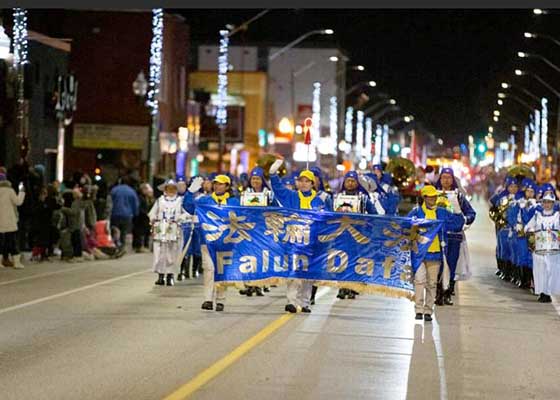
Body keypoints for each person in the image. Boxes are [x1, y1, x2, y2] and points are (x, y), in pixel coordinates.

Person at [269, 161, 332, 313]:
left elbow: (327, 221)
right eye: (301, 181)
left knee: (308, 274)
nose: (303, 184)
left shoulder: (319, 201)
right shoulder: (291, 196)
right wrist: (273, 173)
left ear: (312, 184)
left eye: (307, 181)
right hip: (294, 242)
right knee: (293, 272)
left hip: (312, 243)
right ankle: (291, 301)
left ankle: (304, 302)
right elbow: (277, 189)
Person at [183, 174, 240, 312]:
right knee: (209, 270)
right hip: (207, 242)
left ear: (227, 186)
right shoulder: (205, 200)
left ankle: (220, 300)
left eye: (221, 184)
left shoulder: (234, 202)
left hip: (227, 243)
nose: (217, 186)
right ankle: (207, 299)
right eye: (215, 183)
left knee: (222, 271)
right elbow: (189, 207)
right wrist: (190, 192)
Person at [408, 185, 464, 322]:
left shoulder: (442, 212)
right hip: (419, 254)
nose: (433, 198)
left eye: (434, 196)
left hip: (436, 254)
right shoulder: (415, 213)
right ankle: (418, 309)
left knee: (432, 283)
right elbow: (404, 227)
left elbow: (458, 224)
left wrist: (457, 210)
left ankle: (428, 310)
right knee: (419, 280)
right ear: (424, 197)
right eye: (430, 196)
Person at [334, 171, 385, 300]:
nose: (350, 183)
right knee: (341, 261)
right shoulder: (337, 197)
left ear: (357, 182)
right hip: (342, 234)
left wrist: (366, 224)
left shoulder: (363, 197)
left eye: (353, 181)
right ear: (344, 182)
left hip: (358, 234)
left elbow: (373, 213)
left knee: (354, 261)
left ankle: (352, 288)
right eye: (348, 181)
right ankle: (342, 287)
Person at [434, 167, 476, 304]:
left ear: (453, 180)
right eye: (443, 177)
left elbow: (471, 213)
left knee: (451, 263)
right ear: (440, 179)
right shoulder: (433, 194)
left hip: (454, 236)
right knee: (438, 264)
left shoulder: (458, 196)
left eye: (449, 177)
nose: (446, 180)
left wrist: (462, 221)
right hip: (437, 236)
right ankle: (438, 291)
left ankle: (448, 291)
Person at [238, 166, 277, 296]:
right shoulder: (245, 192)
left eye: (258, 178)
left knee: (261, 257)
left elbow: (275, 209)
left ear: (262, 180)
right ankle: (249, 283)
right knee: (248, 257)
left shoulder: (269, 194)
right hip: (248, 229)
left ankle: (259, 284)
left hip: (263, 229)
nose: (255, 181)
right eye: (253, 178)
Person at [148, 179, 189, 287]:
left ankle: (170, 275)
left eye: (173, 188)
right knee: (160, 253)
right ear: (165, 189)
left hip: (174, 230)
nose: (171, 190)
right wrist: (153, 219)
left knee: (173, 253)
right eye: (169, 188)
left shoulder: (180, 201)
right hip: (161, 229)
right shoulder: (160, 200)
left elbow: (186, 214)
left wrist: (179, 219)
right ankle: (160, 276)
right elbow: (152, 213)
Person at [525, 192, 560, 302]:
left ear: (553, 203)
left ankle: (549, 293)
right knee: (541, 271)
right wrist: (531, 235)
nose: (547, 204)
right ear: (542, 203)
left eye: (549, 202)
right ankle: (542, 292)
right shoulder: (537, 216)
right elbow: (527, 228)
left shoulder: (558, 216)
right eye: (545, 202)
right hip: (539, 249)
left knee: (553, 271)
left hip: (554, 249)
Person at [0, 173, 26, 268]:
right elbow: (18, 202)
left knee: (0, 242)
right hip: (9, 220)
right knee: (12, 241)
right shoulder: (9, 191)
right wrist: (22, 192)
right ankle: (17, 262)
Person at [110, 177, 139, 253]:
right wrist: (135, 213)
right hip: (127, 215)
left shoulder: (114, 190)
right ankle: (122, 247)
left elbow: (110, 202)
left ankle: (115, 246)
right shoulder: (131, 191)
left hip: (115, 213)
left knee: (115, 231)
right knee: (123, 232)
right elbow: (135, 204)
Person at [133, 183, 154, 253]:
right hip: (140, 218)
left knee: (147, 232)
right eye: (146, 189)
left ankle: (146, 245)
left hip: (147, 218)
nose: (148, 191)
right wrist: (146, 213)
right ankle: (138, 246)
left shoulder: (149, 198)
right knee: (139, 232)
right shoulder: (140, 197)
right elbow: (139, 208)